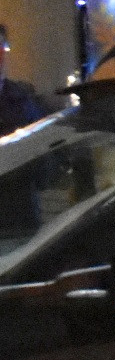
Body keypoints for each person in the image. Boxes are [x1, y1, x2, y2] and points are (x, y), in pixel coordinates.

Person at [0, 26, 52, 235]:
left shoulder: (21, 98)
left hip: (21, 220)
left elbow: (44, 156)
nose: (1, 54)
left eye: (3, 46)